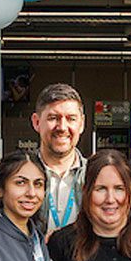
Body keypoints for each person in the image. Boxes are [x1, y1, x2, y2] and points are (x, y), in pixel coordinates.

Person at [32, 83, 87, 234]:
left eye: (71, 119)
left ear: (81, 124)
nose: (62, 127)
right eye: (53, 118)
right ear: (36, 122)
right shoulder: (19, 176)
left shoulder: (94, 175)